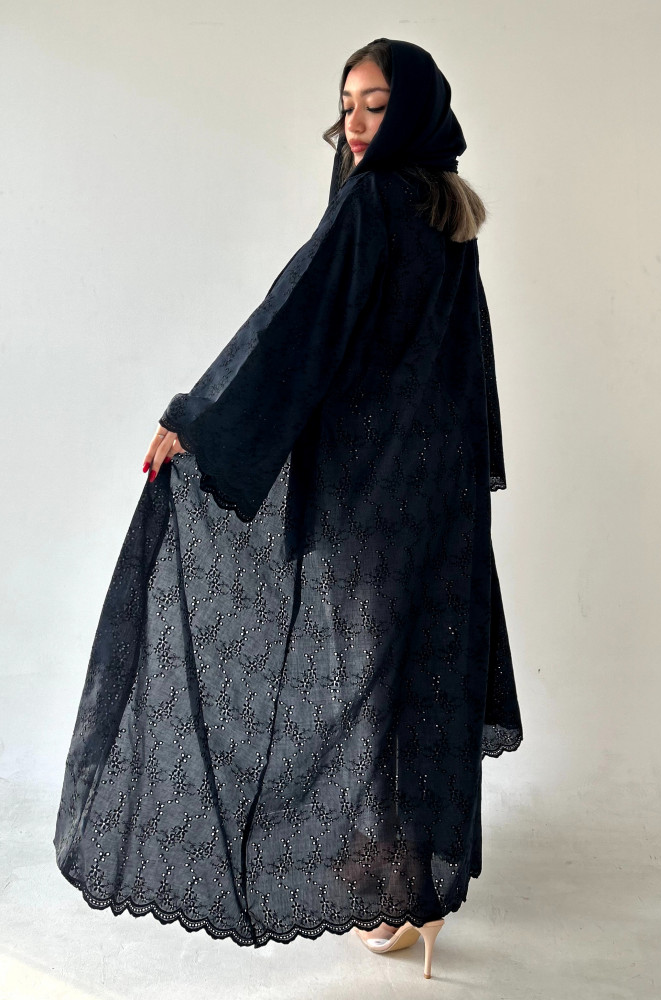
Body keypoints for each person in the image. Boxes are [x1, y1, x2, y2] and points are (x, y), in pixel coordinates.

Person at [54, 37, 523, 981]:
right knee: (410, 675)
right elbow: (460, 367)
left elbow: (293, 322)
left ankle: (400, 887)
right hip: (434, 493)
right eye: (346, 104)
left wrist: (195, 419)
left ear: (414, 109)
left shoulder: (372, 205)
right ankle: (413, 879)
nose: (354, 124)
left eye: (375, 104)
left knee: (370, 676)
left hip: (373, 492)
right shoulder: (447, 215)